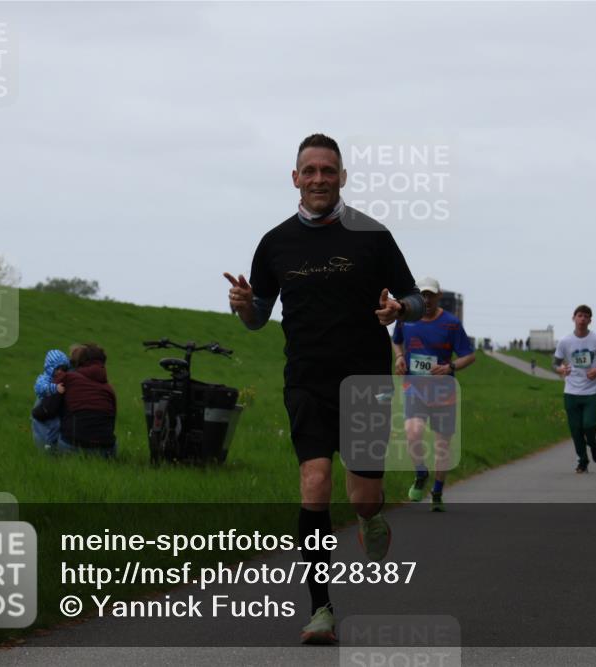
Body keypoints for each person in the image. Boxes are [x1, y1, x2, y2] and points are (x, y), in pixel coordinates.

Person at [223, 133, 423, 645]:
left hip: (366, 382)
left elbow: (415, 298)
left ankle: (371, 519)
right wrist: (245, 306)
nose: (318, 179)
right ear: (295, 178)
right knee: (314, 483)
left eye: (327, 171)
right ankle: (321, 611)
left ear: (342, 177)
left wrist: (398, 310)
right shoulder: (275, 243)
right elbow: (258, 317)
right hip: (306, 378)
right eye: (309, 171)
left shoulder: (371, 236)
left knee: (362, 496)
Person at [393, 276, 476, 512]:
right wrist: (399, 357)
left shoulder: (451, 324)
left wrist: (450, 367)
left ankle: (437, 492)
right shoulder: (406, 320)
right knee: (412, 431)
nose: (426, 299)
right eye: (423, 295)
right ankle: (420, 472)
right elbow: (396, 342)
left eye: (431, 294)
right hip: (415, 389)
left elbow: (469, 355)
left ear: (439, 296)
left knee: (442, 447)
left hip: (443, 393)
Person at [553, 305, 596, 473]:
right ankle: (582, 460)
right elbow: (554, 364)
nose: (582, 319)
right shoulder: (565, 341)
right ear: (573, 318)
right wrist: (561, 370)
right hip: (570, 392)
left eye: (586, 316)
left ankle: (592, 443)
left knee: (589, 424)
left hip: (590, 392)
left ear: (590, 320)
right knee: (575, 429)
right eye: (580, 315)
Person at [31, 343, 117, 455]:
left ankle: (48, 456)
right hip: (108, 451)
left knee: (44, 397)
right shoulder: (108, 389)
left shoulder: (67, 378)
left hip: (73, 448)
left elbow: (45, 412)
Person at [31, 349, 69, 449]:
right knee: (54, 424)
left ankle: (52, 444)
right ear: (50, 368)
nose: (60, 372)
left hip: (52, 406)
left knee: (58, 424)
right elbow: (39, 388)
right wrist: (55, 388)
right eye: (57, 369)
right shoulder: (44, 378)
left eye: (63, 368)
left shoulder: (61, 377)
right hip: (44, 405)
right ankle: (49, 445)